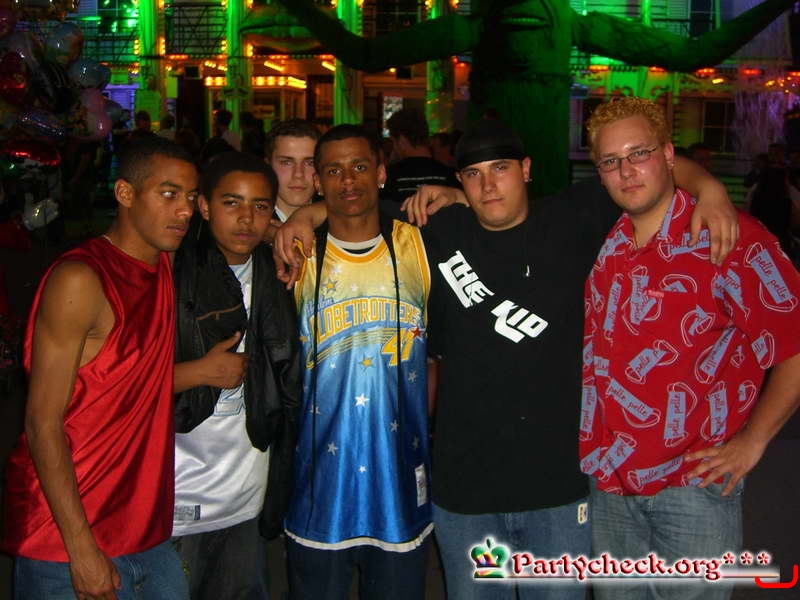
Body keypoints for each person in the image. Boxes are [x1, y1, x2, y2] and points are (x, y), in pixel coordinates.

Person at [275, 120, 739, 600]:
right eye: (473, 174)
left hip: (557, 488)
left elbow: (650, 167)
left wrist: (710, 189)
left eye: (500, 168)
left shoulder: (573, 218)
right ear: (460, 181)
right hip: (466, 490)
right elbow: (354, 203)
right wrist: (302, 217)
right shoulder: (439, 232)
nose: (488, 185)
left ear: (526, 169)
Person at [581, 97, 800, 600]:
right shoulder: (606, 239)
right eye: (611, 161)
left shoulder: (729, 238)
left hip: (693, 487)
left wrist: (754, 440)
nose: (626, 171)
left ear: (667, 155)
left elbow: (795, 341)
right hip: (609, 484)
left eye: (639, 153)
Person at [2, 136, 198, 600]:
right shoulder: (82, 279)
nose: (185, 210)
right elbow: (41, 421)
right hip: (66, 535)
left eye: (192, 197)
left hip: (143, 527)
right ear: (125, 193)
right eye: (168, 194)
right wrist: (81, 550)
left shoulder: (163, 260)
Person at [284, 124, 432, 599]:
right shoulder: (295, 255)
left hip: (400, 483)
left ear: (382, 173)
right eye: (333, 171)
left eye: (360, 167)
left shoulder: (422, 245)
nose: (348, 181)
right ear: (318, 182)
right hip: (318, 487)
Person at [171, 152, 301, 599]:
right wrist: (197, 373)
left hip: (247, 494)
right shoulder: (167, 273)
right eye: (232, 203)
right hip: (175, 494)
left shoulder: (280, 274)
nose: (247, 218)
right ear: (204, 207)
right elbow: (112, 382)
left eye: (260, 206)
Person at [382, 108, 460, 203]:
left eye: (393, 141)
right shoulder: (452, 176)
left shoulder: (387, 177)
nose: (394, 147)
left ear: (402, 141)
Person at [265, 119, 320, 223]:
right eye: (286, 163)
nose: (298, 174)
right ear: (268, 167)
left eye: (310, 163)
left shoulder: (338, 220)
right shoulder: (251, 222)